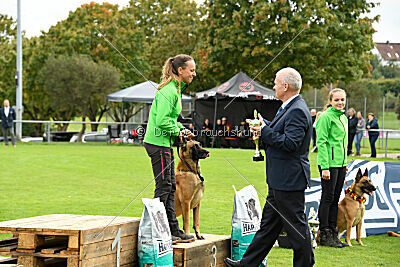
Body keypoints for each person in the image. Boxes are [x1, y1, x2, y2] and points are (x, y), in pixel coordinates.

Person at [224, 67, 314, 267]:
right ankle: (247, 264)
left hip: (289, 180)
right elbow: (278, 130)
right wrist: (261, 124)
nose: (273, 86)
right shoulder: (289, 107)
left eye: (275, 82)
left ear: (285, 86)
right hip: (279, 179)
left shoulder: (297, 110)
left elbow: (290, 143)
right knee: (268, 228)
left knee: (297, 229)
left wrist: (264, 130)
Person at [143, 54, 196, 243]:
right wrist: (179, 132)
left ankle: (173, 230)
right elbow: (162, 121)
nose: (194, 74)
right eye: (191, 70)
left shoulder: (175, 88)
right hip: (158, 143)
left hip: (162, 143)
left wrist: (182, 129)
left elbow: (171, 120)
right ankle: (156, 231)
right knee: (164, 187)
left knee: (170, 185)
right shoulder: (170, 90)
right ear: (180, 70)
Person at [315, 88, 348, 248]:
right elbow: (321, 142)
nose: (340, 103)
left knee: (335, 198)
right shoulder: (325, 117)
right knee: (327, 198)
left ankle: (334, 234)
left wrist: (344, 164)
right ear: (330, 101)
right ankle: (324, 233)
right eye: (337, 100)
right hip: (328, 164)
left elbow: (343, 143)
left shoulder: (343, 118)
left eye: (342, 99)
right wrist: (325, 167)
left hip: (340, 164)